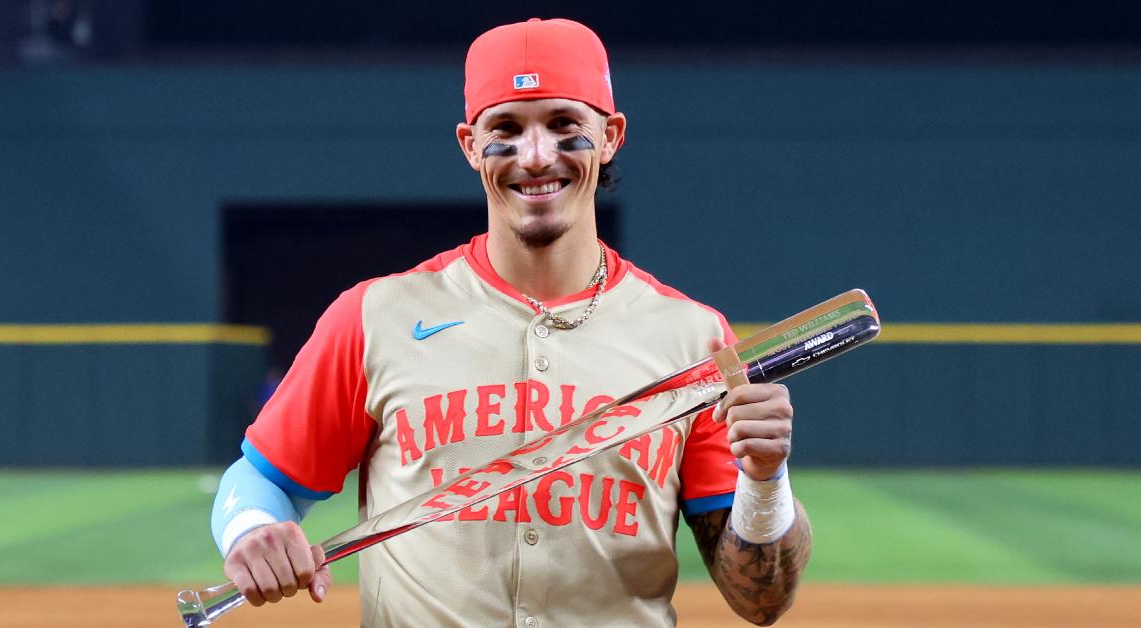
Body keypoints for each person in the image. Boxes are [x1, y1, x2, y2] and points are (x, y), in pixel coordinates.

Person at [210, 17, 811, 626]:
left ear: (610, 137)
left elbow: (760, 600)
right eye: (506, 128)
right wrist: (251, 527)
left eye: (563, 125)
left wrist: (765, 482)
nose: (535, 156)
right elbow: (261, 479)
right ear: (470, 144)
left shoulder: (694, 340)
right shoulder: (376, 318)